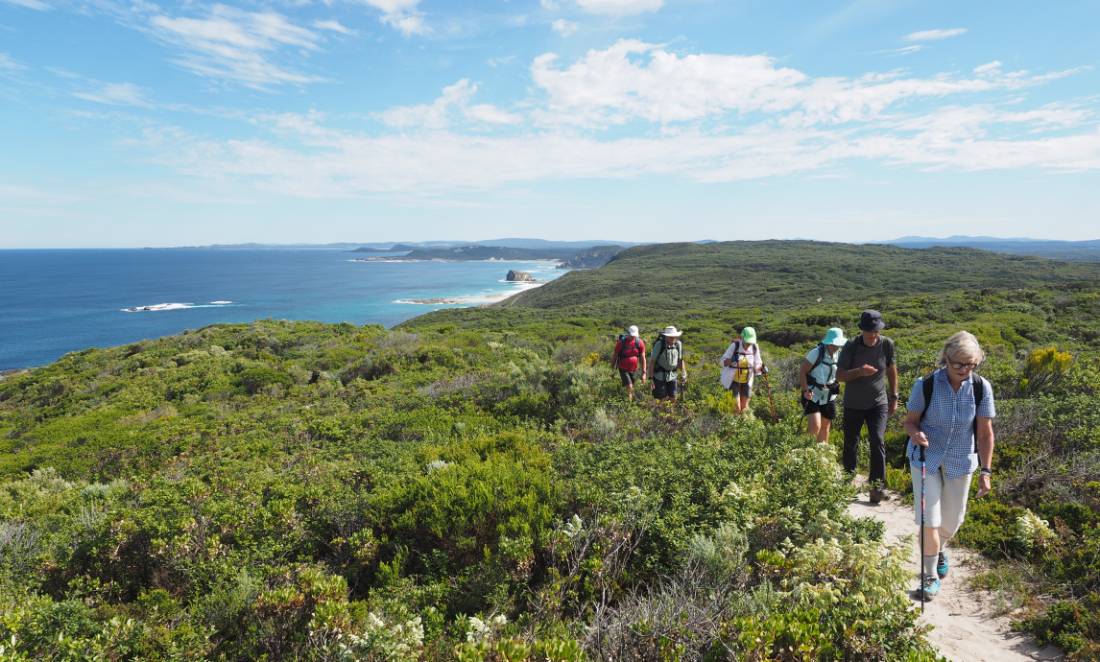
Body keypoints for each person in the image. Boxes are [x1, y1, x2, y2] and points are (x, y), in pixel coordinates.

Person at [902, 331, 995, 601]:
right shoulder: (926, 384)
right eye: (959, 364)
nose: (965, 370)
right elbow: (910, 421)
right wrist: (914, 433)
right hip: (925, 459)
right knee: (928, 520)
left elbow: (985, 432)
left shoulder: (981, 387)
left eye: (971, 365)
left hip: (961, 460)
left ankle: (939, 548)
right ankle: (929, 576)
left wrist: (986, 471)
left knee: (952, 522)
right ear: (946, 358)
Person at [836, 310, 899, 503]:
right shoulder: (851, 346)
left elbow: (891, 369)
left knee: (878, 440)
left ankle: (876, 488)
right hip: (853, 404)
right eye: (870, 331)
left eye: (877, 331)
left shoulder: (886, 344)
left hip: (878, 403)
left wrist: (894, 395)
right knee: (851, 443)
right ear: (862, 330)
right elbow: (840, 376)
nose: (874, 335)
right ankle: (847, 481)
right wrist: (859, 372)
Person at [799, 327, 846, 442]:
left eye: (838, 344)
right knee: (815, 427)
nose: (837, 347)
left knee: (825, 427)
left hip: (829, 395)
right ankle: (804, 451)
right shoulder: (816, 353)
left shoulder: (840, 355)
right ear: (828, 342)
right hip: (812, 393)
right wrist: (805, 390)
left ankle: (821, 453)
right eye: (835, 344)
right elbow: (802, 371)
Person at [720, 326, 765, 415]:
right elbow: (722, 362)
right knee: (736, 408)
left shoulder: (755, 347)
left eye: (750, 342)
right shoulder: (734, 346)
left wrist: (761, 368)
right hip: (732, 381)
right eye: (747, 341)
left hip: (747, 381)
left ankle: (743, 424)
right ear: (742, 338)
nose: (749, 344)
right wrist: (732, 360)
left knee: (744, 408)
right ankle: (733, 425)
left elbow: (758, 363)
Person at [648, 326, 686, 401]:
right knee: (661, 398)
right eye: (670, 336)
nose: (672, 338)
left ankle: (671, 412)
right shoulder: (659, 344)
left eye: (673, 336)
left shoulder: (678, 344)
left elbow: (680, 360)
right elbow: (652, 362)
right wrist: (651, 378)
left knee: (673, 397)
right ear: (666, 336)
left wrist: (684, 373)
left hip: (672, 376)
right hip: (659, 376)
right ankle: (661, 411)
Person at [611, 325, 647, 401]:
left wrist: (644, 372)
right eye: (631, 335)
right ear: (628, 334)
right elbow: (615, 356)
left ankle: (629, 398)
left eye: (634, 335)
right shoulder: (621, 343)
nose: (633, 337)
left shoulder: (639, 343)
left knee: (632, 386)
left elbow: (643, 358)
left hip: (634, 369)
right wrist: (612, 367)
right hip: (623, 368)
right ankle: (629, 404)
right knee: (630, 386)